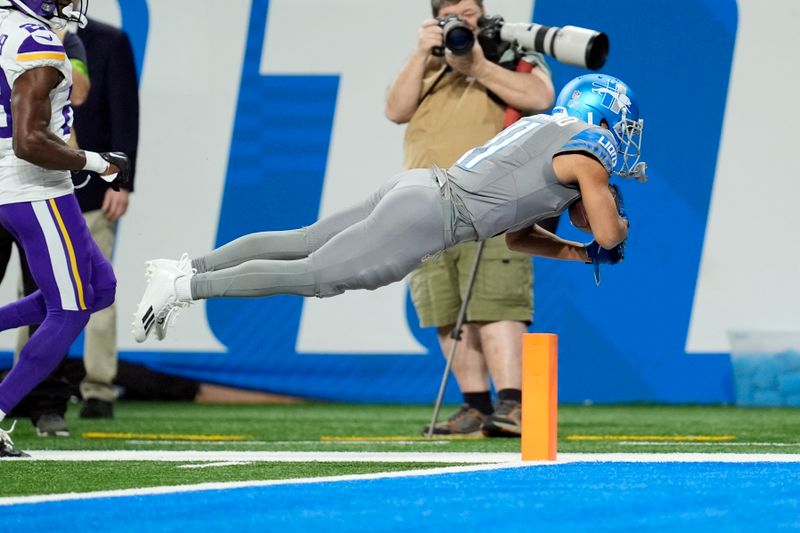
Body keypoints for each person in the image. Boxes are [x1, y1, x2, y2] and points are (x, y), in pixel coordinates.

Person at [132, 73, 645, 382]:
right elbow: (609, 234)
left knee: (305, 240)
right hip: (431, 217)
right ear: (604, 116)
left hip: (421, 186)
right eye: (622, 126)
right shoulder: (589, 145)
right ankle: (184, 286)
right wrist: (612, 230)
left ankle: (185, 267)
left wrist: (579, 255)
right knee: (315, 275)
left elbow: (516, 235)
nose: (623, 139)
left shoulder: (551, 132)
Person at [384, 0, 555, 437]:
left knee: (495, 303)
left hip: (492, 198)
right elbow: (396, 110)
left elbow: (540, 98)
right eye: (452, 12)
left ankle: (514, 405)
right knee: (446, 308)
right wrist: (422, 52)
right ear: (437, 19)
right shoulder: (427, 65)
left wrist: (476, 64)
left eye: (470, 9)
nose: (464, 19)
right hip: (424, 202)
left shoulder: (511, 54)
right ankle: (475, 408)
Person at [0, 0, 130, 458]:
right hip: (34, 191)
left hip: (36, 188)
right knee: (71, 310)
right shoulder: (36, 43)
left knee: (100, 287)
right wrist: (97, 162)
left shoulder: (10, 27)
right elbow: (29, 140)